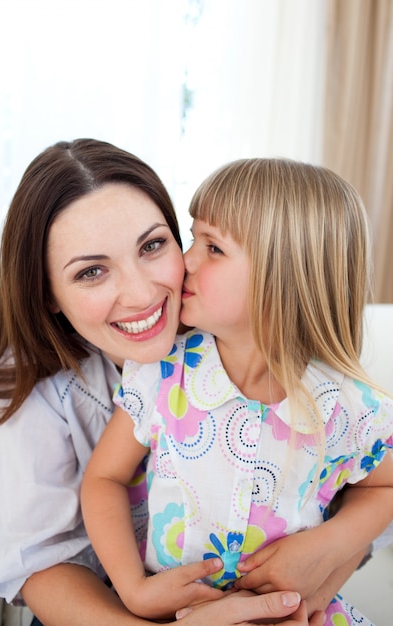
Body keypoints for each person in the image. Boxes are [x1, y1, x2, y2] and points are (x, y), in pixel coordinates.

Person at [0, 139, 324, 626]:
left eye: (152, 246)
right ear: (47, 293)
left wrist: (321, 572)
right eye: (91, 272)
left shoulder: (247, 332)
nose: (141, 293)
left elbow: (360, 480)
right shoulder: (38, 386)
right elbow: (37, 566)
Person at [81, 157, 393, 625]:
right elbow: (102, 480)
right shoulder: (165, 373)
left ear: (283, 278)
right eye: (193, 239)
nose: (183, 261)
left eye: (213, 248)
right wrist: (134, 591)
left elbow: (384, 485)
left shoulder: (349, 405)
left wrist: (331, 542)